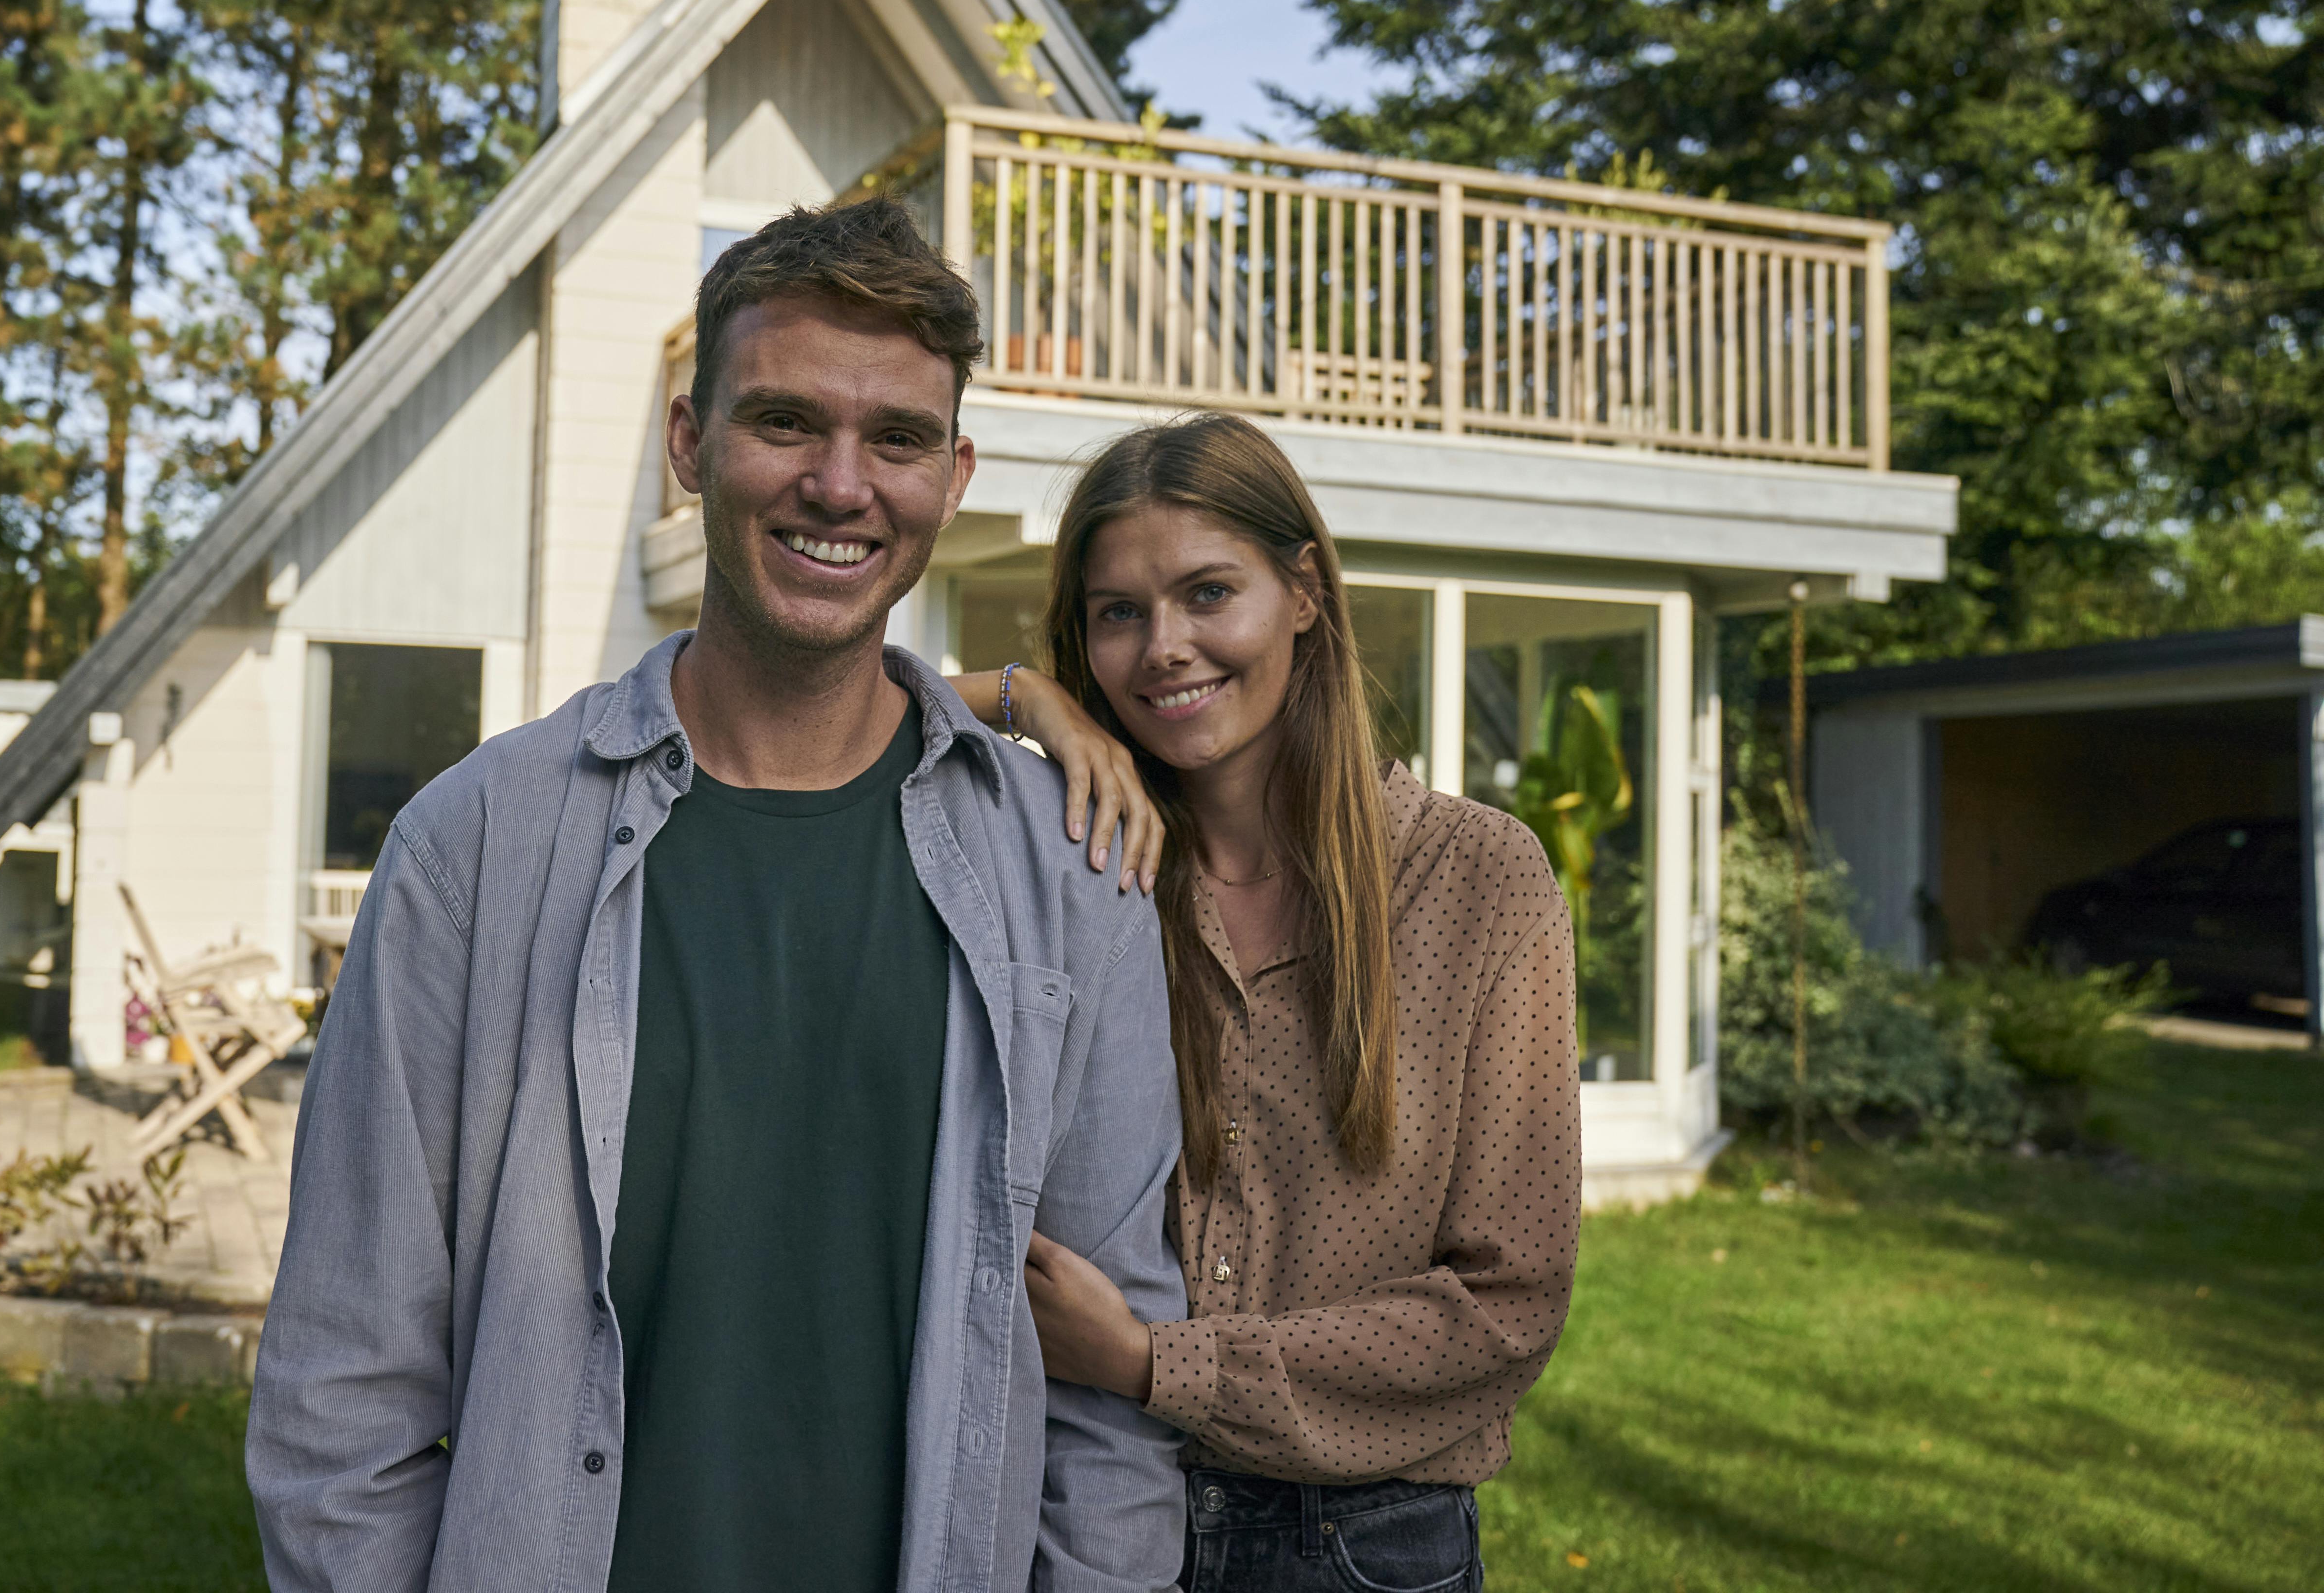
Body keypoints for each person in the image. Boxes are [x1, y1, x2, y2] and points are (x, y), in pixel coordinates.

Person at [246, 198, 1191, 1593]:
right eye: (787, 423)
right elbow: (344, 1390)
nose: (841, 484)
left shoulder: (1071, 879)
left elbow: (1107, 1416)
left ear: (955, 474)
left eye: (898, 440)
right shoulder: (476, 848)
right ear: (689, 445)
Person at [1001, 413, 1583, 1593]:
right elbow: (828, 720)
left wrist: (1156, 1362)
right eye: (1118, 612)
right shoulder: (1082, 864)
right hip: (1102, 1514)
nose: (1165, 646)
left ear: (1305, 592)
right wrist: (1024, 698)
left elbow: (1507, 1302)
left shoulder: (1477, 875)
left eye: (1210, 591)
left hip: (1367, 1545)